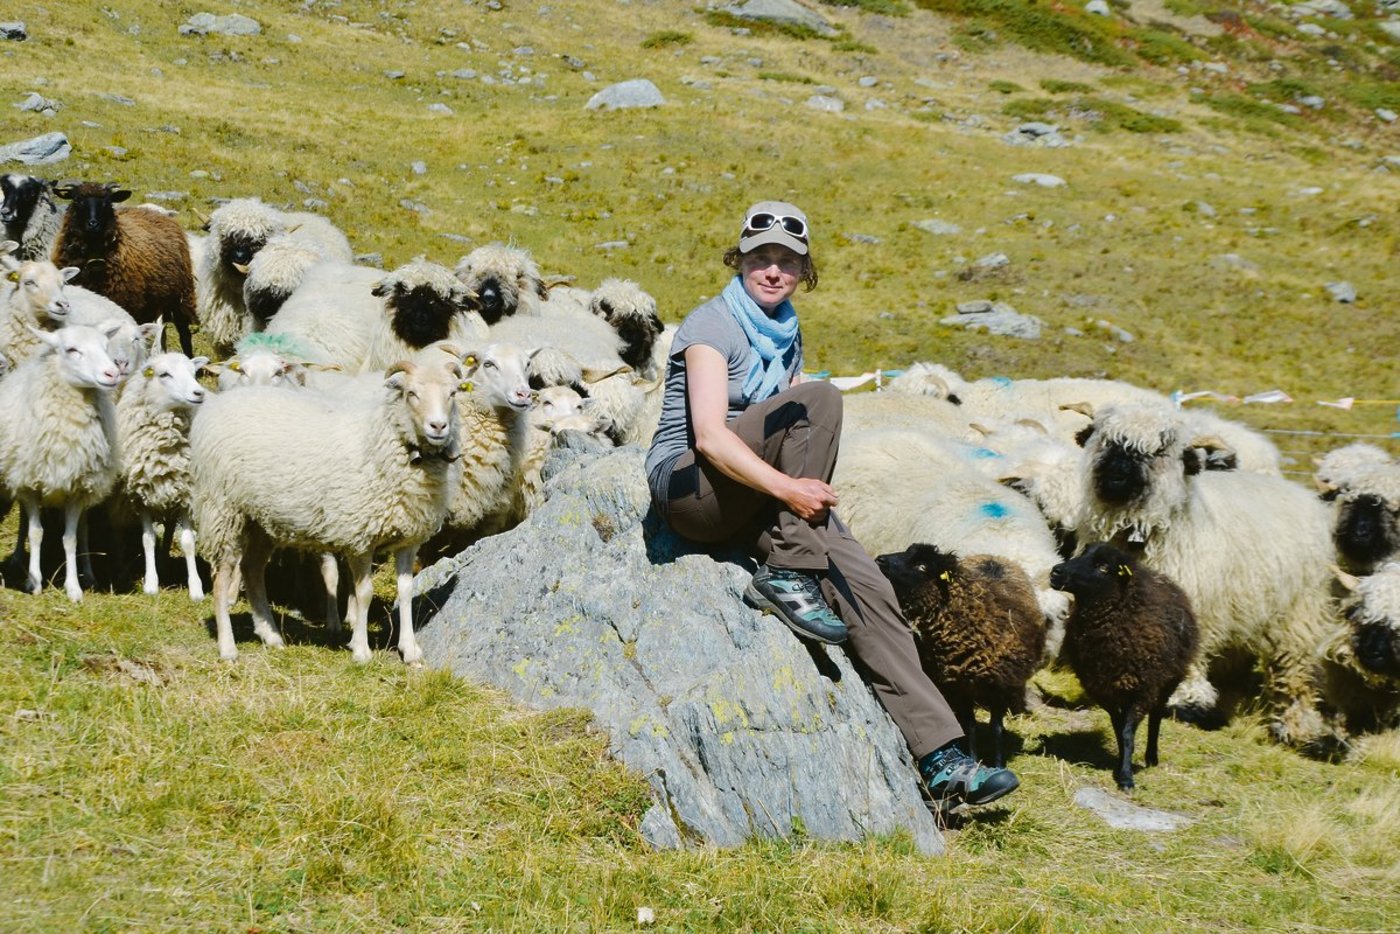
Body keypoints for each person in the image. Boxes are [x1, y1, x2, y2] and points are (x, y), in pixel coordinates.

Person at [645, 200, 1020, 810]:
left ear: (803, 272)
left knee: (865, 580)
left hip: (754, 492)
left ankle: (942, 759)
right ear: (739, 259)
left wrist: (806, 504)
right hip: (690, 490)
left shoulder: (786, 332)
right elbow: (711, 436)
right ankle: (788, 572)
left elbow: (795, 446)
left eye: (787, 262)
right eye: (761, 257)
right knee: (822, 401)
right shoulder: (711, 327)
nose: (773, 270)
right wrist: (795, 493)